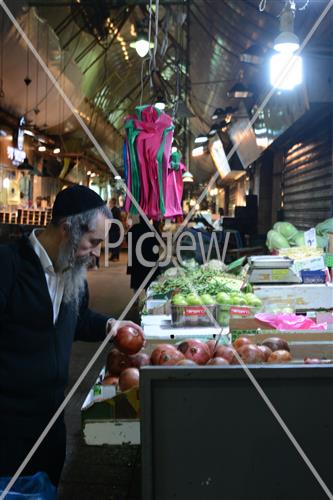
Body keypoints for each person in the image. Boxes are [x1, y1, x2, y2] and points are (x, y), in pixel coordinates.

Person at [0, 185, 143, 487]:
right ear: (68, 229)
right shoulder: (9, 266)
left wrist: (109, 326)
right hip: (8, 426)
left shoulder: (73, 273)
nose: (96, 254)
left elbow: (76, 321)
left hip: (50, 422)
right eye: (93, 242)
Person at [127, 216, 161, 292]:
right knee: (149, 279)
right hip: (150, 258)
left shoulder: (134, 228)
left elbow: (128, 239)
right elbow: (159, 241)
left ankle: (136, 298)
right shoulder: (153, 229)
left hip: (137, 258)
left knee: (136, 279)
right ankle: (147, 296)